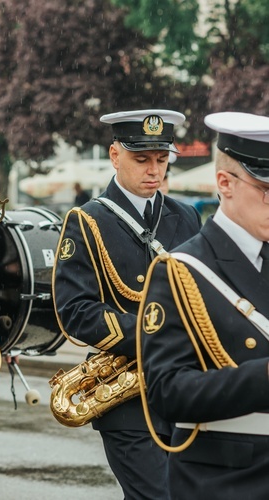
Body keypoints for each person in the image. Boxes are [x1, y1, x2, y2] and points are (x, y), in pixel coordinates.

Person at [53, 109, 202, 499]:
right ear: (115, 155)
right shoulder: (87, 220)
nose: (154, 170)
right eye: (141, 159)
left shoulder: (186, 217)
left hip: (186, 391)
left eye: (161, 159)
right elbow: (75, 312)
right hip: (129, 401)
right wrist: (155, 334)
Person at [139, 111, 269, 499]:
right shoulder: (182, 269)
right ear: (225, 183)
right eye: (266, 188)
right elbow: (166, 391)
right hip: (227, 479)